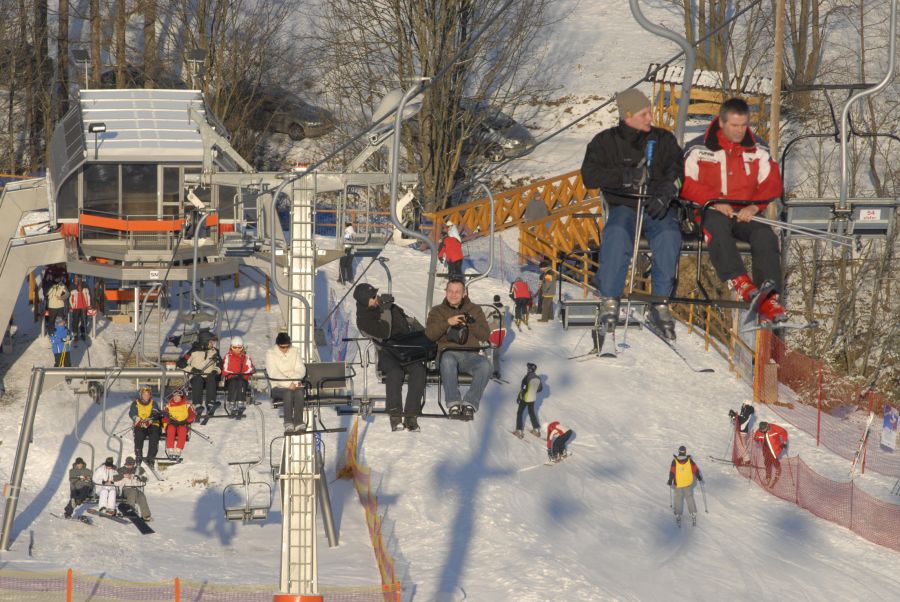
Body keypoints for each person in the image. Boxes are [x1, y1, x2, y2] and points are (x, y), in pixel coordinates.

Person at [580, 88, 683, 340]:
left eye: (650, 112)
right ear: (628, 115)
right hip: (623, 205)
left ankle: (660, 301)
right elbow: (589, 176)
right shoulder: (605, 142)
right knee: (616, 233)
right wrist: (624, 177)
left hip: (656, 205)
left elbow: (677, 171)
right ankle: (610, 298)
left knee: (669, 235)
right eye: (644, 114)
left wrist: (666, 193)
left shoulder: (663, 140)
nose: (650, 118)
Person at [680, 97, 786, 323]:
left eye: (744, 125)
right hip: (709, 210)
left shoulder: (758, 149)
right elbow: (685, 183)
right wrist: (713, 200)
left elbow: (772, 182)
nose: (740, 131)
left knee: (764, 235)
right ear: (721, 123)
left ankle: (769, 296)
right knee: (716, 227)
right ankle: (739, 280)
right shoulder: (698, 148)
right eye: (735, 125)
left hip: (744, 211)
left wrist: (755, 205)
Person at [355, 283, 427, 432]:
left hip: (405, 349)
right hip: (387, 352)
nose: (376, 298)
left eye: (376, 294)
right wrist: (386, 310)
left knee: (419, 371)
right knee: (395, 372)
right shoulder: (363, 320)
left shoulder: (386, 306)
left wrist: (422, 333)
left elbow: (407, 320)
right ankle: (395, 416)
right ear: (365, 301)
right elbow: (384, 332)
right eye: (373, 297)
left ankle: (411, 415)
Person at [425, 278, 492, 420]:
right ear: (446, 292)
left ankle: (470, 403)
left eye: (457, 292)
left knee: (485, 365)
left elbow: (485, 335)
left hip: (470, 355)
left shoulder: (475, 310)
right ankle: (453, 402)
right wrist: (447, 323)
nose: (453, 295)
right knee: (448, 359)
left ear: (464, 294)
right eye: (450, 291)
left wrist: (471, 323)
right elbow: (430, 335)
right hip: (446, 353)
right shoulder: (437, 311)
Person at [265, 332, 307, 435]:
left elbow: (300, 368)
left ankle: (298, 422)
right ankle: (288, 422)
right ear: (277, 345)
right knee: (287, 393)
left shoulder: (294, 352)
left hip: (294, 383)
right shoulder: (271, 353)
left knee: (300, 392)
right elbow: (273, 372)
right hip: (278, 386)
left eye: (287, 346)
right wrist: (288, 384)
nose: (285, 349)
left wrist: (294, 381)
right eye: (282, 347)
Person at [184, 333, 222, 416]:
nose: (212, 344)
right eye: (211, 342)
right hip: (196, 376)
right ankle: (197, 405)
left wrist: (215, 371)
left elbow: (220, 365)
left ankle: (210, 404)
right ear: (205, 341)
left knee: (212, 378)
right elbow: (181, 364)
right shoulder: (193, 351)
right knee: (197, 379)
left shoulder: (215, 351)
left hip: (209, 376)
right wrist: (192, 369)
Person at [667, 445, 703, 526]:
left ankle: (678, 514)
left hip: (678, 483)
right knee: (689, 497)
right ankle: (693, 513)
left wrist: (670, 480)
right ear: (685, 452)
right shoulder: (689, 461)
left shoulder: (675, 461)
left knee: (678, 498)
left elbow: (672, 472)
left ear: (679, 452)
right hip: (687, 483)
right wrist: (699, 476)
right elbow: (695, 469)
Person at [129, 386, 162, 467]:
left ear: (150, 395)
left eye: (148, 394)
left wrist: (150, 419)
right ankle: (139, 455)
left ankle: (150, 457)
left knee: (154, 436)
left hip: (152, 424)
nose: (146, 396)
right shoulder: (135, 403)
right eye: (144, 394)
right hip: (140, 423)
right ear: (141, 395)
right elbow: (132, 412)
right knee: (138, 435)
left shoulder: (153, 403)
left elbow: (155, 412)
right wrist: (136, 418)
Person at [221, 336, 255, 410]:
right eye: (235, 347)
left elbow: (250, 369)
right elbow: (225, 369)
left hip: (242, 378)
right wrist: (233, 374)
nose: (237, 349)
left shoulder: (246, 357)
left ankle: (241, 401)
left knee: (241, 381)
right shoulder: (228, 357)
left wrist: (244, 374)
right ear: (231, 347)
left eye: (239, 347)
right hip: (231, 378)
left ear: (242, 347)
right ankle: (231, 402)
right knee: (233, 382)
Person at [114, 457, 151, 521]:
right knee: (132, 492)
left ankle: (146, 515)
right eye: (128, 465)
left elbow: (147, 479)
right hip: (125, 488)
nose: (130, 466)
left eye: (131, 465)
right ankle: (130, 511)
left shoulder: (138, 470)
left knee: (141, 496)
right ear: (126, 464)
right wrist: (123, 476)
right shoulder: (120, 470)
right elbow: (114, 479)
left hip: (136, 488)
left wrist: (138, 476)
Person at [163, 388, 197, 460]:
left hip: (182, 423)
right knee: (171, 429)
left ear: (181, 397)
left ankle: (179, 449)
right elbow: (164, 414)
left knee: (182, 430)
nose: (176, 398)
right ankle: (170, 448)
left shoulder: (187, 405)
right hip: (172, 423)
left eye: (178, 396)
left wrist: (186, 421)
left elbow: (193, 414)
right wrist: (170, 420)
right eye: (174, 396)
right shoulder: (169, 405)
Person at [753, 421, 788, 487]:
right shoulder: (759, 432)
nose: (763, 431)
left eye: (764, 429)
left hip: (774, 449)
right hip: (765, 449)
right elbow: (756, 437)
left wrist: (784, 442)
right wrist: (756, 439)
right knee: (767, 462)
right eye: (761, 429)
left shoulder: (774, 428)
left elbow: (784, 432)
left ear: (767, 426)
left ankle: (778, 469)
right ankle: (768, 475)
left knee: (774, 460)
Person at [513, 363, 542, 438]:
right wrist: (532, 390)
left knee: (519, 413)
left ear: (529, 369)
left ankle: (519, 431)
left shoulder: (527, 377)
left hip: (525, 398)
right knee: (531, 412)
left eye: (528, 368)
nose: (527, 369)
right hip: (532, 398)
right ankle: (536, 430)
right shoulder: (538, 378)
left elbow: (523, 388)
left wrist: (519, 397)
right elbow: (540, 389)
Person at [488, 295, 508, 379]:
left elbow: (486, 316)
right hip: (500, 339)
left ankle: (488, 371)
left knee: (488, 355)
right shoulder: (503, 308)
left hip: (491, 340)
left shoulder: (491, 308)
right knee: (496, 356)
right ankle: (497, 371)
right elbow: (505, 333)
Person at [68, 276, 91, 341]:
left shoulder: (85, 285)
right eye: (75, 278)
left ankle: (83, 333)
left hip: (84, 306)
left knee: (84, 320)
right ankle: (75, 334)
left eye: (78, 278)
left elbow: (89, 295)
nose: (77, 279)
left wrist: (89, 304)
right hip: (76, 307)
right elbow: (69, 297)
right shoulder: (72, 286)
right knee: (75, 320)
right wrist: (70, 305)